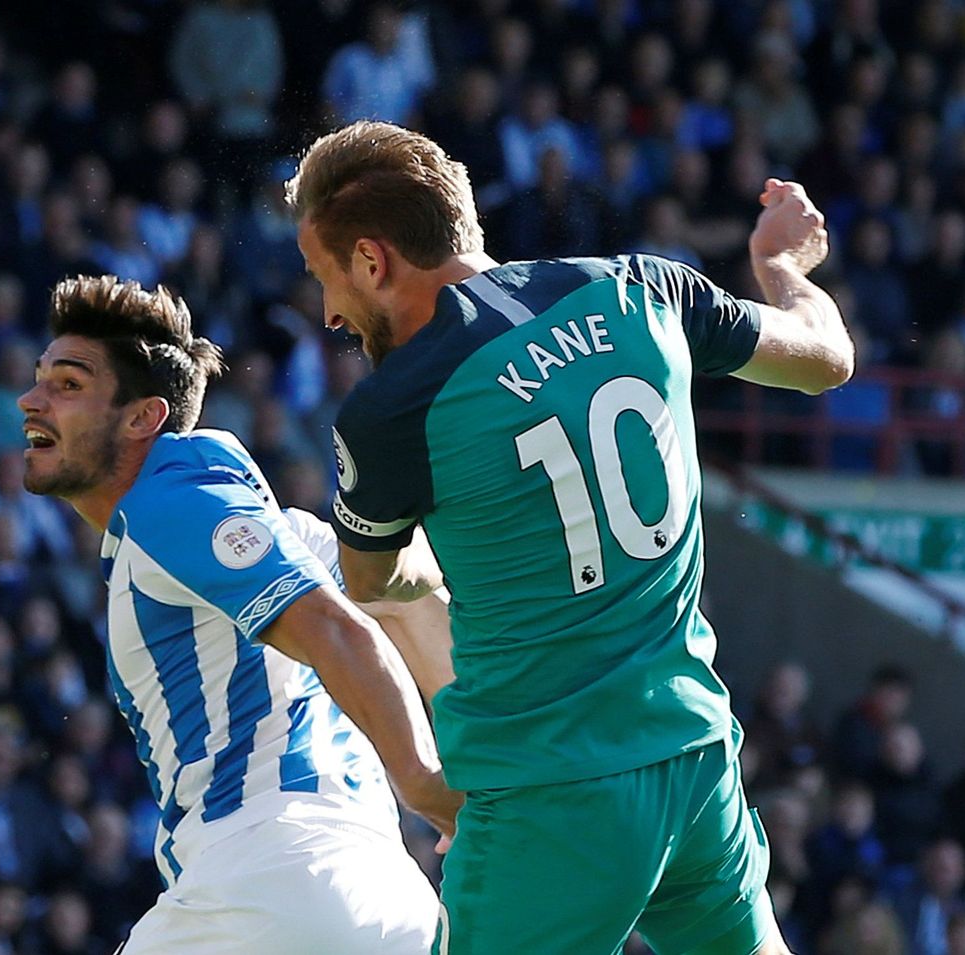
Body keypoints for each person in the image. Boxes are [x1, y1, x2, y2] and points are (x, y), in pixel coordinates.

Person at [288, 120, 855, 955]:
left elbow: (372, 579)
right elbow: (826, 357)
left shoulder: (392, 409)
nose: (331, 312)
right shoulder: (648, 288)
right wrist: (779, 267)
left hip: (549, 794)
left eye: (325, 278)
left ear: (373, 261)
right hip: (693, 761)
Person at [15, 274, 456, 953]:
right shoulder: (289, 534)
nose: (31, 399)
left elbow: (339, 631)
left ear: (142, 418)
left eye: (67, 384)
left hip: (265, 883)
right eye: (40, 377)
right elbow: (419, 605)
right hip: (390, 901)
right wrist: (480, 778)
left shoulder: (171, 495)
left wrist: (427, 784)